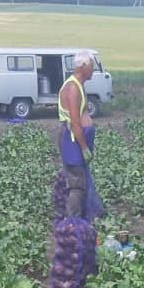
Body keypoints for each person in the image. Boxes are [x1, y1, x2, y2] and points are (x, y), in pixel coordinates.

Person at [57, 51, 100, 219]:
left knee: (80, 180)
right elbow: (75, 123)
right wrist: (84, 148)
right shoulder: (73, 88)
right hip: (71, 140)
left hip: (76, 139)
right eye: (92, 66)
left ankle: (79, 217)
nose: (94, 70)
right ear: (83, 67)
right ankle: (73, 222)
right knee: (77, 183)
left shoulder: (79, 85)